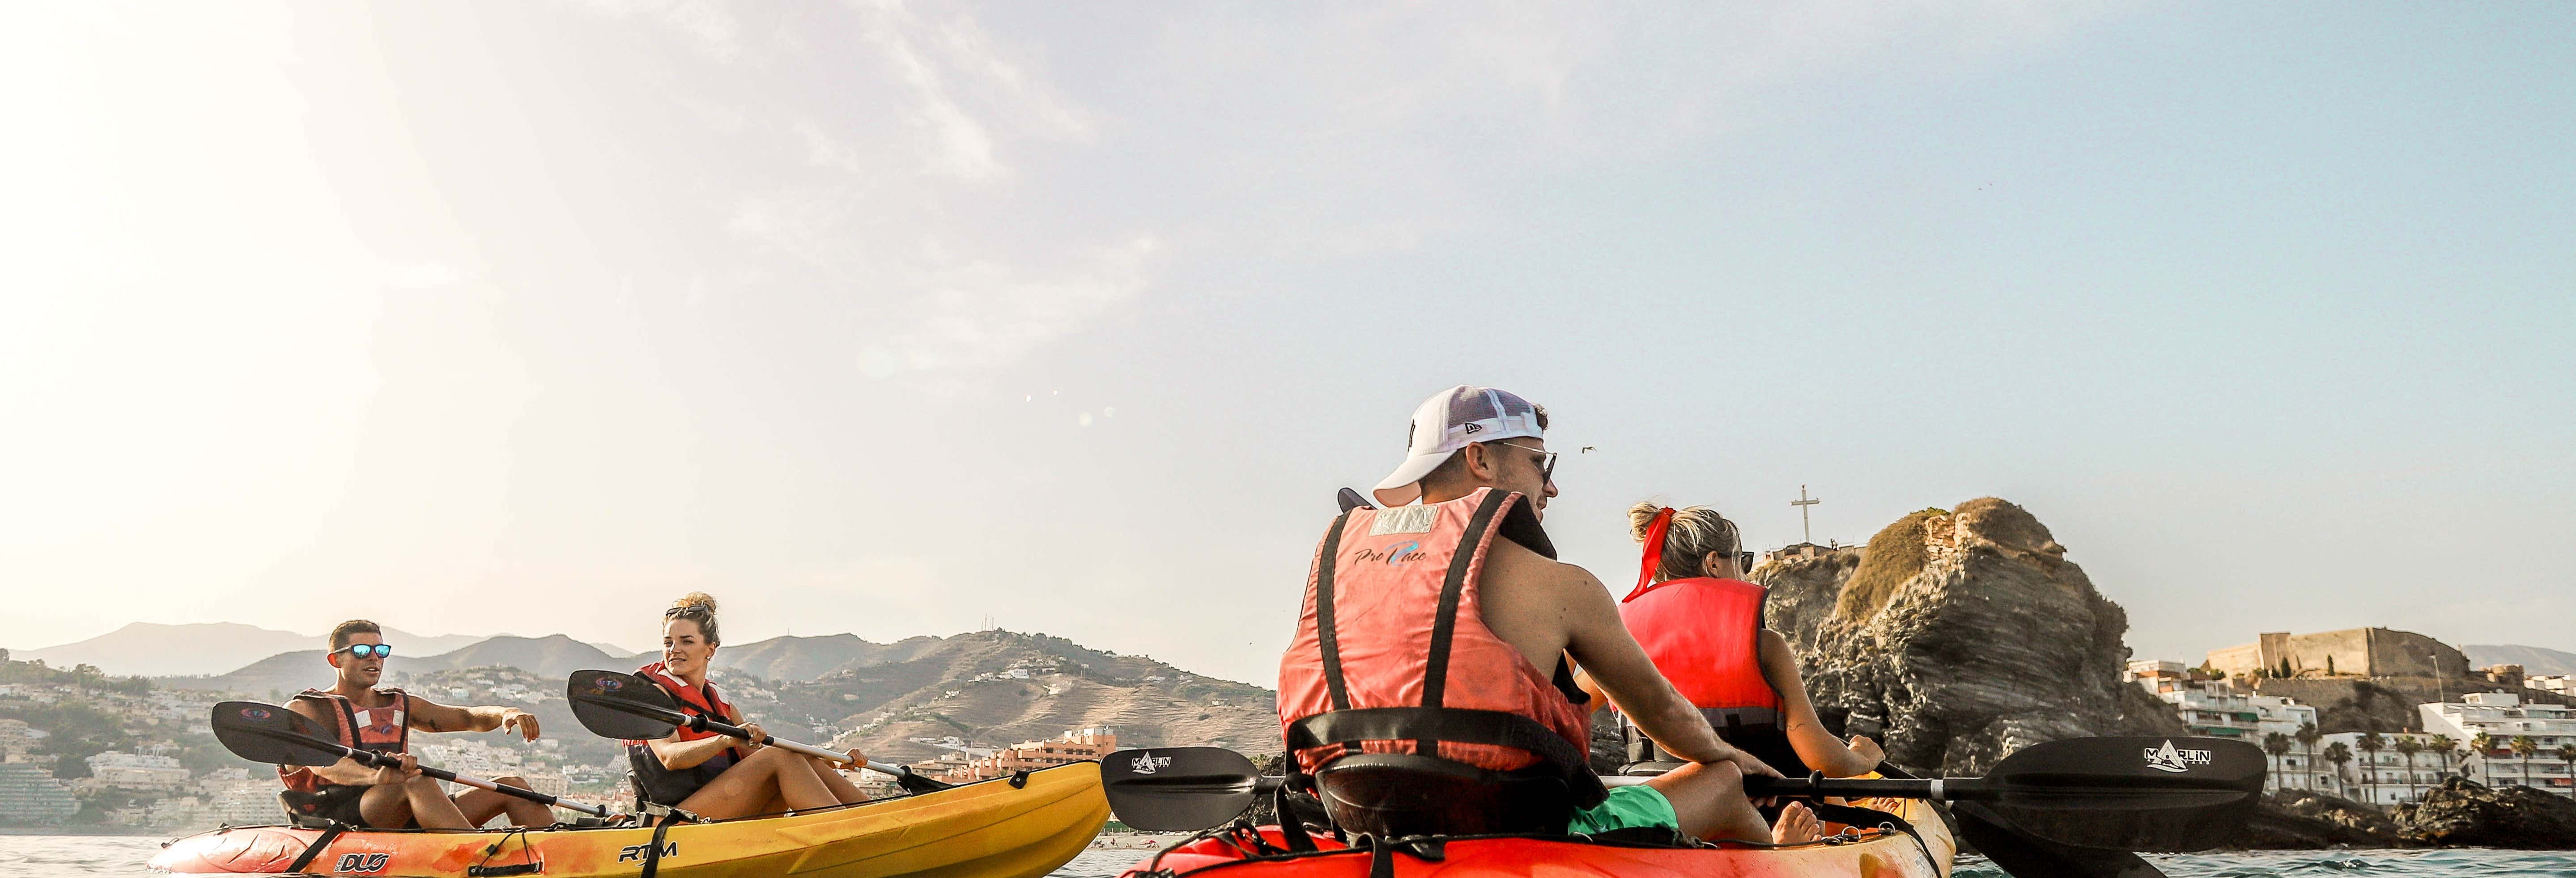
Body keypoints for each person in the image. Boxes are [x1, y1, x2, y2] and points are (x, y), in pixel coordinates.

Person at [1279, 385, 1811, 844]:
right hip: (1521, 829)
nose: (1550, 486)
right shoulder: (1562, 586)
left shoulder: (1335, 568)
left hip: (1360, 820)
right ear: (1480, 459)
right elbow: (1667, 715)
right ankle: (1782, 854)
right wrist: (1737, 759)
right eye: (1540, 463)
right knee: (1720, 778)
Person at [1594, 502, 1883, 783]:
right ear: (1713, 563)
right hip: (1751, 802)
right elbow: (1822, 758)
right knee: (1832, 796)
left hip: (1652, 798)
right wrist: (1863, 758)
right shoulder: (1764, 646)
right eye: (1742, 560)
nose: (1745, 571)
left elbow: (1569, 703)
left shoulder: (1622, 642)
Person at [278, 620, 553, 829]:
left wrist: (506, 712)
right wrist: (377, 777)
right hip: (343, 810)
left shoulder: (397, 703)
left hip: (403, 802)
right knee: (415, 780)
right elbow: (321, 761)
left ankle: (560, 857)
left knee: (515, 787)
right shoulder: (309, 708)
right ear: (335, 660)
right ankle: (476, 853)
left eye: (381, 650)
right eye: (362, 651)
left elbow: (467, 717)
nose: (374, 658)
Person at [631, 593, 868, 819]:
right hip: (678, 816)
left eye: (687, 642)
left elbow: (755, 756)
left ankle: (873, 819)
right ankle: (847, 829)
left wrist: (833, 761)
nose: (674, 650)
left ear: (710, 650)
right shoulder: (653, 695)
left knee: (792, 755)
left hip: (724, 804)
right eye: (668, 642)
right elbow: (668, 757)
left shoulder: (723, 705)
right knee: (779, 757)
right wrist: (724, 740)